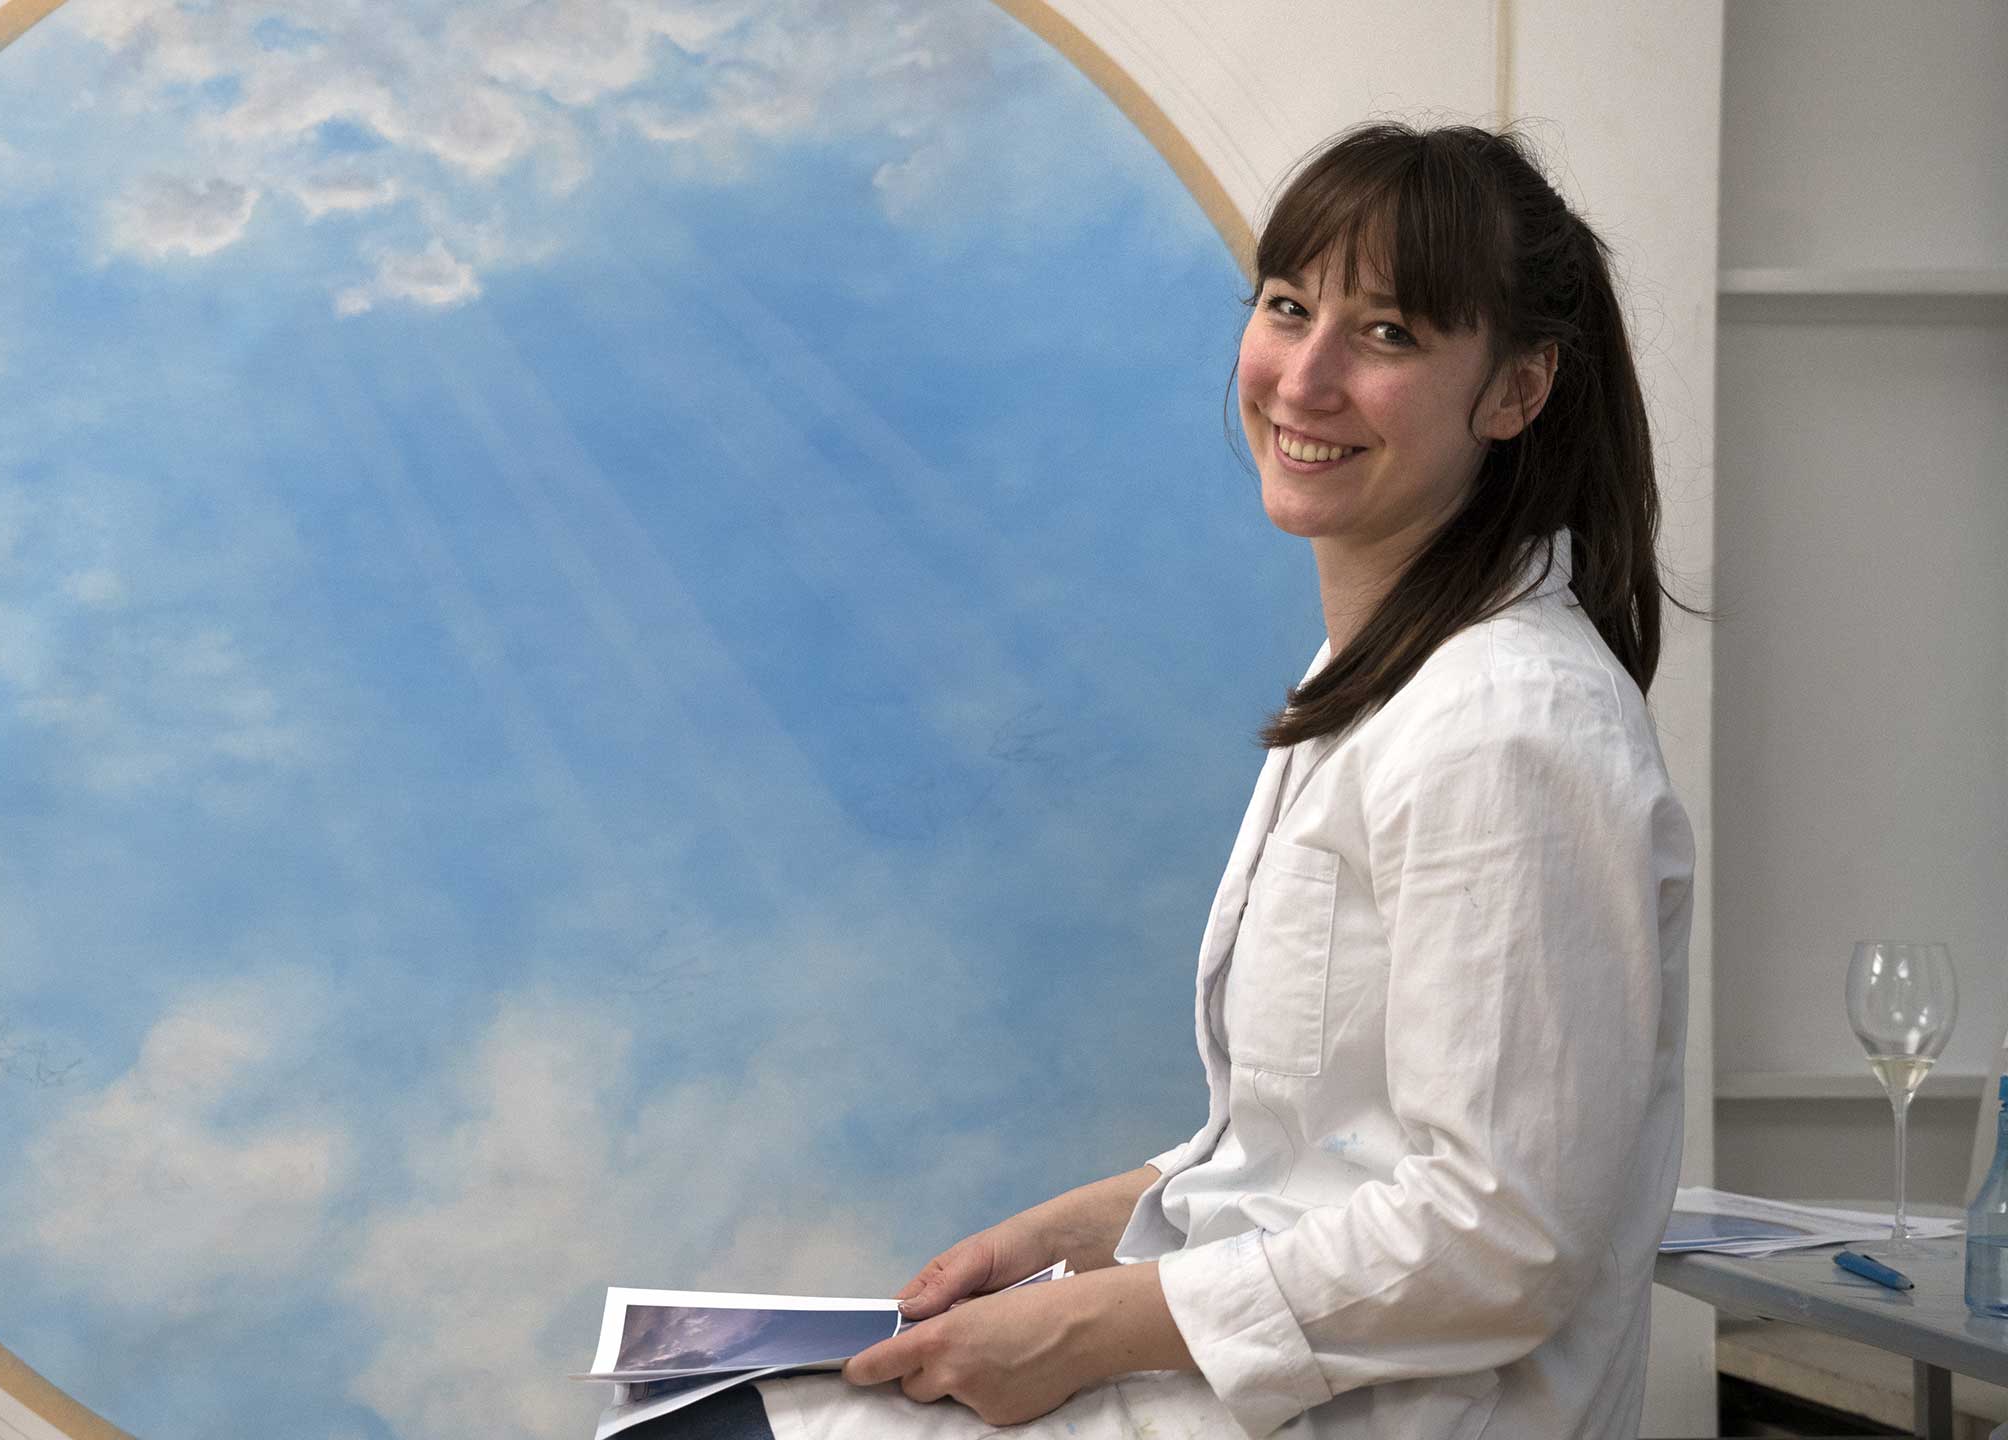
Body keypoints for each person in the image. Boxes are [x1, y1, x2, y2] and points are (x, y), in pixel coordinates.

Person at [630, 120, 1698, 1440]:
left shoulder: (1511, 724)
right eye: (1288, 307)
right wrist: (1047, 1243)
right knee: (699, 1408)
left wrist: (1082, 1326)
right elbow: (1306, 1151)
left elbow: (1500, 1238)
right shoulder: (1391, 674)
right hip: (1273, 1392)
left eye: (1387, 334)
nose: (1305, 378)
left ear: (1518, 390)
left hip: (1401, 1416)